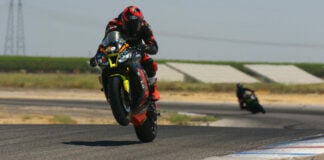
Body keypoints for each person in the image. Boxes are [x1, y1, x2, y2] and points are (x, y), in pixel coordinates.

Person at [89, 5, 160, 101]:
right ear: (123, 20)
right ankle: (108, 85)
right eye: (130, 23)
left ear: (140, 21)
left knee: (151, 64)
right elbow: (105, 41)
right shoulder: (113, 24)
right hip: (119, 49)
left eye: (135, 24)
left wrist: (145, 47)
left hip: (137, 50)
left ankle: (152, 89)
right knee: (104, 64)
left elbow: (154, 47)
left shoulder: (145, 26)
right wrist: (97, 55)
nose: (133, 27)